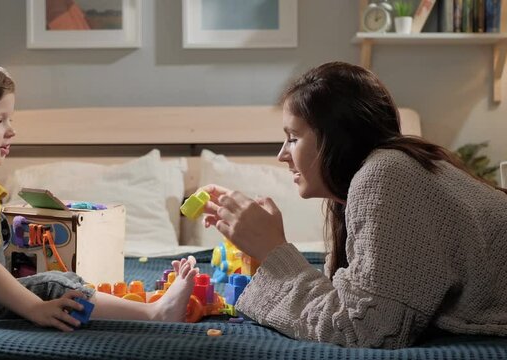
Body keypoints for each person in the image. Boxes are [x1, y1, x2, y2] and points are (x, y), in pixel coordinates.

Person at [201, 61, 507, 349]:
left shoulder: (386, 173)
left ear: (336, 138)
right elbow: (355, 298)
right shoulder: (383, 176)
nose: (282, 155)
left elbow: (366, 329)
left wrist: (273, 251)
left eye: (293, 138)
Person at [0, 52, 198, 332]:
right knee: (54, 287)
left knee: (54, 281)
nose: (11, 130)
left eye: (10, 119)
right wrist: (35, 307)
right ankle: (155, 314)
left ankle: (133, 308)